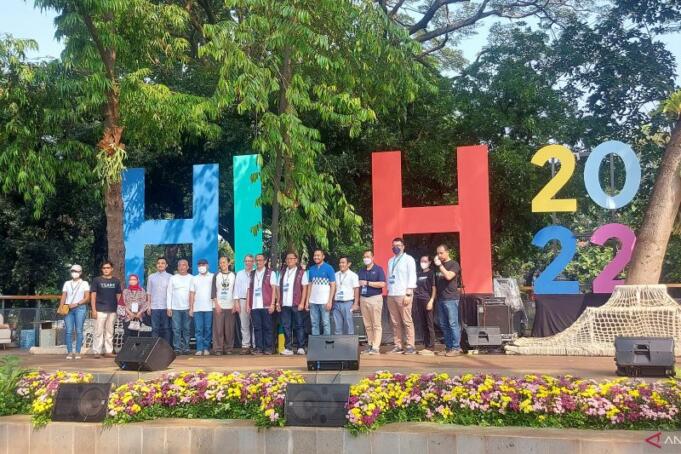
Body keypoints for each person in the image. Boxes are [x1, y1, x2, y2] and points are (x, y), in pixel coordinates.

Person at [386, 238, 418, 354]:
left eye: (398, 245)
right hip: (392, 294)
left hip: (403, 294)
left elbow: (412, 276)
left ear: (403, 247)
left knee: (407, 321)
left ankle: (410, 345)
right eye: (394, 245)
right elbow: (389, 277)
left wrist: (408, 293)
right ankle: (398, 345)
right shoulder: (390, 261)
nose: (396, 247)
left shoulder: (409, 259)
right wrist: (388, 290)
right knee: (394, 322)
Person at [246, 253, 279, 355]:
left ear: (265, 261)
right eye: (256, 260)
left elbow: (274, 289)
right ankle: (259, 348)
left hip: (266, 305)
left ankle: (268, 348)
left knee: (268, 327)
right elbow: (249, 290)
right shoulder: (252, 273)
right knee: (257, 328)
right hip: (255, 306)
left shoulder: (271, 273)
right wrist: (248, 305)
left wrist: (272, 304)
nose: (258, 262)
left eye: (260, 260)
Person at [434, 244, 463, 356]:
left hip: (451, 298)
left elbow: (449, 276)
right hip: (440, 298)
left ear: (447, 252)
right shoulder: (438, 266)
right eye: (438, 253)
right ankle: (448, 347)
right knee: (444, 325)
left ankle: (456, 348)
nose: (439, 255)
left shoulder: (454, 264)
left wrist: (440, 265)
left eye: (441, 253)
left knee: (453, 323)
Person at [90, 260, 122, 359]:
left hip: (112, 310)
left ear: (111, 269)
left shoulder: (116, 281)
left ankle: (108, 351)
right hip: (99, 310)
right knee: (98, 331)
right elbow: (93, 296)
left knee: (110, 332)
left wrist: (120, 309)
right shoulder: (97, 280)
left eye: (108, 268)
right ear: (102, 269)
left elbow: (119, 296)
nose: (106, 270)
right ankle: (97, 351)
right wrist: (93, 310)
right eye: (104, 268)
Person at [278, 252, 308, 355]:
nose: (289, 260)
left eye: (291, 258)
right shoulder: (282, 272)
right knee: (286, 326)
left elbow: (305, 288)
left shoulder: (301, 272)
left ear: (296, 260)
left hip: (296, 303)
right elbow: (278, 288)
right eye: (287, 259)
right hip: (285, 304)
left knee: (299, 325)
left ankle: (301, 347)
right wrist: (278, 302)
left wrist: (302, 302)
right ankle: (288, 348)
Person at [358, 250, 386, 355]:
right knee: (367, 324)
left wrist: (368, 283)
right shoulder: (361, 271)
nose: (366, 258)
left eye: (368, 256)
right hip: (363, 298)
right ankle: (370, 345)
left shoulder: (378, 269)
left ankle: (376, 347)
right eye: (364, 256)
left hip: (375, 298)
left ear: (372, 257)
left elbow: (382, 284)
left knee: (376, 324)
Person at [59, 264, 90, 360]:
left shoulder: (84, 283)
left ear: (80, 272)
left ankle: (77, 352)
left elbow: (87, 298)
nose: (74, 273)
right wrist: (61, 307)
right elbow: (64, 296)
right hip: (68, 308)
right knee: (68, 331)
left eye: (76, 271)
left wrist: (76, 304)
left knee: (79, 330)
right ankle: (69, 351)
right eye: (72, 271)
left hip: (80, 308)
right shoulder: (67, 283)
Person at [305, 249, 336, 335]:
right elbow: (310, 286)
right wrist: (307, 301)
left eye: (318, 255)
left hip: (324, 302)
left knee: (326, 323)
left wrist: (330, 301)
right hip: (313, 301)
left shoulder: (329, 268)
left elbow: (333, 285)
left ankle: (326, 342)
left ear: (323, 257)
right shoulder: (311, 269)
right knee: (314, 324)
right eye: (315, 255)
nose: (316, 257)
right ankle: (316, 342)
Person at [211, 256, 237, 355]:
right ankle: (218, 349)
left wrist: (235, 304)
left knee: (229, 329)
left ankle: (228, 348)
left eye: (224, 262)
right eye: (221, 262)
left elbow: (236, 291)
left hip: (230, 306)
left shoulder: (234, 275)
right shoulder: (216, 275)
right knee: (218, 329)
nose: (222, 264)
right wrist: (216, 304)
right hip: (219, 306)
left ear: (228, 263)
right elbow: (213, 290)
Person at [166, 259, 192, 354]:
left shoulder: (192, 278)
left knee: (187, 329)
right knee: (176, 329)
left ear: (187, 267)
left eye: (184, 265)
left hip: (187, 308)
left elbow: (193, 294)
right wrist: (169, 307)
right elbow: (169, 293)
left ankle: (186, 348)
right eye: (180, 265)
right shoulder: (173, 278)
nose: (182, 267)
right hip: (175, 308)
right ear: (178, 267)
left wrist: (192, 307)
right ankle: (177, 348)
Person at [190, 258, 214, 356]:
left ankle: (206, 348)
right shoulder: (194, 278)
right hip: (197, 308)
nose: (201, 267)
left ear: (207, 266)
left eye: (203, 265)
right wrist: (191, 308)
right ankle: (199, 349)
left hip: (209, 307)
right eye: (199, 265)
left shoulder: (213, 277)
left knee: (208, 329)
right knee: (198, 329)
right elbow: (192, 293)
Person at [146, 257, 172, 344]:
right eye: (158, 263)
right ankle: (154, 348)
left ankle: (167, 347)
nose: (160, 265)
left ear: (166, 265)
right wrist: (149, 306)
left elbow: (172, 293)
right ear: (156, 265)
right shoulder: (151, 277)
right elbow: (149, 292)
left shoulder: (171, 277)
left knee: (166, 328)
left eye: (163, 263)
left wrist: (170, 307)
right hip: (154, 307)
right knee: (154, 328)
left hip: (166, 307)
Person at [414, 255, 437, 355]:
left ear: (430, 262)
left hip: (427, 300)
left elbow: (434, 288)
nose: (422, 263)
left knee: (429, 324)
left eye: (425, 261)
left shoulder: (431, 273)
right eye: (421, 261)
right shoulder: (418, 273)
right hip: (418, 300)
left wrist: (431, 301)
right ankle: (426, 346)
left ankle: (431, 347)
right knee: (423, 324)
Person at [333, 256, 359, 335]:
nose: (341, 264)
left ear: (349, 264)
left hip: (348, 303)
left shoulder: (353, 275)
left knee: (348, 325)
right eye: (340, 263)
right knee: (337, 326)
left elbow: (356, 289)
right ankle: (338, 342)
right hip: (337, 303)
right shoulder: (335, 274)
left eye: (343, 262)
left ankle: (350, 342)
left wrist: (355, 303)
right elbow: (333, 288)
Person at [233, 254, 255, 354]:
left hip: (254, 301)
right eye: (246, 261)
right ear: (244, 262)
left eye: (250, 261)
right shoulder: (239, 273)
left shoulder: (256, 273)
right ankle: (246, 346)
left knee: (255, 324)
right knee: (244, 325)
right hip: (242, 301)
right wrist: (236, 302)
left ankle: (255, 345)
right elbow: (236, 289)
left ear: (253, 262)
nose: (248, 263)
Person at [121, 274, 149, 339]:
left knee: (135, 335)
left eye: (134, 279)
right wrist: (130, 313)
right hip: (128, 316)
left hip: (138, 316)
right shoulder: (125, 291)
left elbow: (145, 303)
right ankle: (126, 346)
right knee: (127, 334)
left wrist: (139, 313)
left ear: (137, 281)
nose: (132, 281)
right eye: (130, 279)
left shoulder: (142, 291)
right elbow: (122, 304)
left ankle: (134, 346)